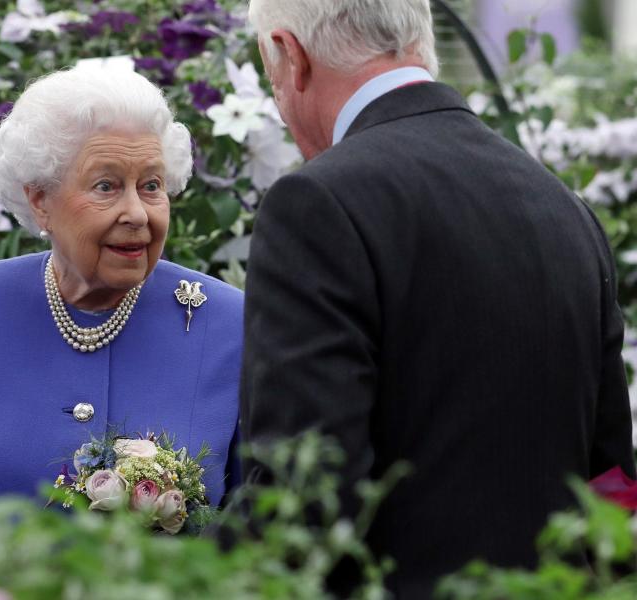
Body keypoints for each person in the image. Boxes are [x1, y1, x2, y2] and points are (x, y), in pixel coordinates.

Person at [239, 0, 636, 596]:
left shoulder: (316, 205)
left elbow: (306, 498)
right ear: (417, 39)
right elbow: (613, 488)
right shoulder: (564, 208)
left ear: (291, 58)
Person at [0, 67, 243, 589]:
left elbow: (257, 555)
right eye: (107, 186)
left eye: (151, 186)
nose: (137, 212)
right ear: (40, 199)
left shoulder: (227, 323)